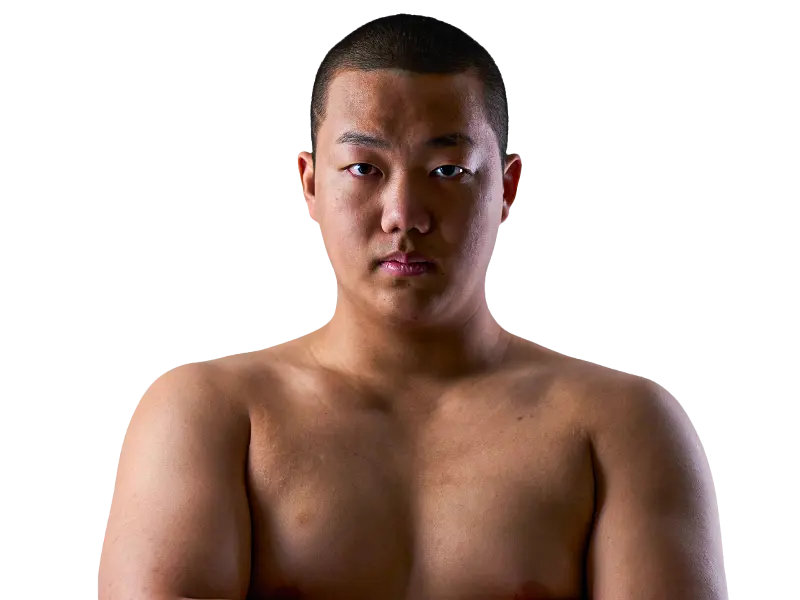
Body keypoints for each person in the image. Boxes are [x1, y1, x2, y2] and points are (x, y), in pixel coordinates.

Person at [97, 13, 726, 600]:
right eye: (364, 169)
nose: (404, 215)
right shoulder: (212, 415)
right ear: (309, 183)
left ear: (506, 188)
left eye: (448, 171)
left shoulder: (618, 425)